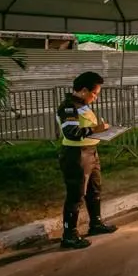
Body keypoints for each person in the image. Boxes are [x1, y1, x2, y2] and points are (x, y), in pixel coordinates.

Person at [56, 71, 118, 249]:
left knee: (94, 190)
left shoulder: (82, 105)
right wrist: (96, 130)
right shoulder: (68, 107)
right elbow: (72, 133)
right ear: (83, 90)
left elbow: (87, 128)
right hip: (76, 155)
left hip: (91, 152)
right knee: (76, 195)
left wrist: (101, 131)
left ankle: (96, 224)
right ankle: (69, 235)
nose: (96, 98)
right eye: (94, 93)